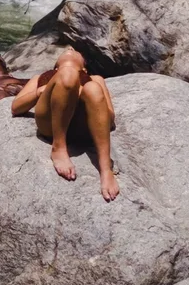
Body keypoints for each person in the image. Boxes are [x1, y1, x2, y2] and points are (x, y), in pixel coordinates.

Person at [11, 47, 119, 200]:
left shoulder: (95, 79)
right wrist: (39, 92)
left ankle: (105, 167)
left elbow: (110, 118)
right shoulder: (41, 77)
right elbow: (16, 107)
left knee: (93, 89)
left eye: (76, 51)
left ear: (84, 69)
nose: (70, 48)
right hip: (51, 122)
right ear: (55, 66)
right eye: (66, 50)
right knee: (68, 75)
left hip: (83, 126)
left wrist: (85, 96)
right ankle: (59, 146)